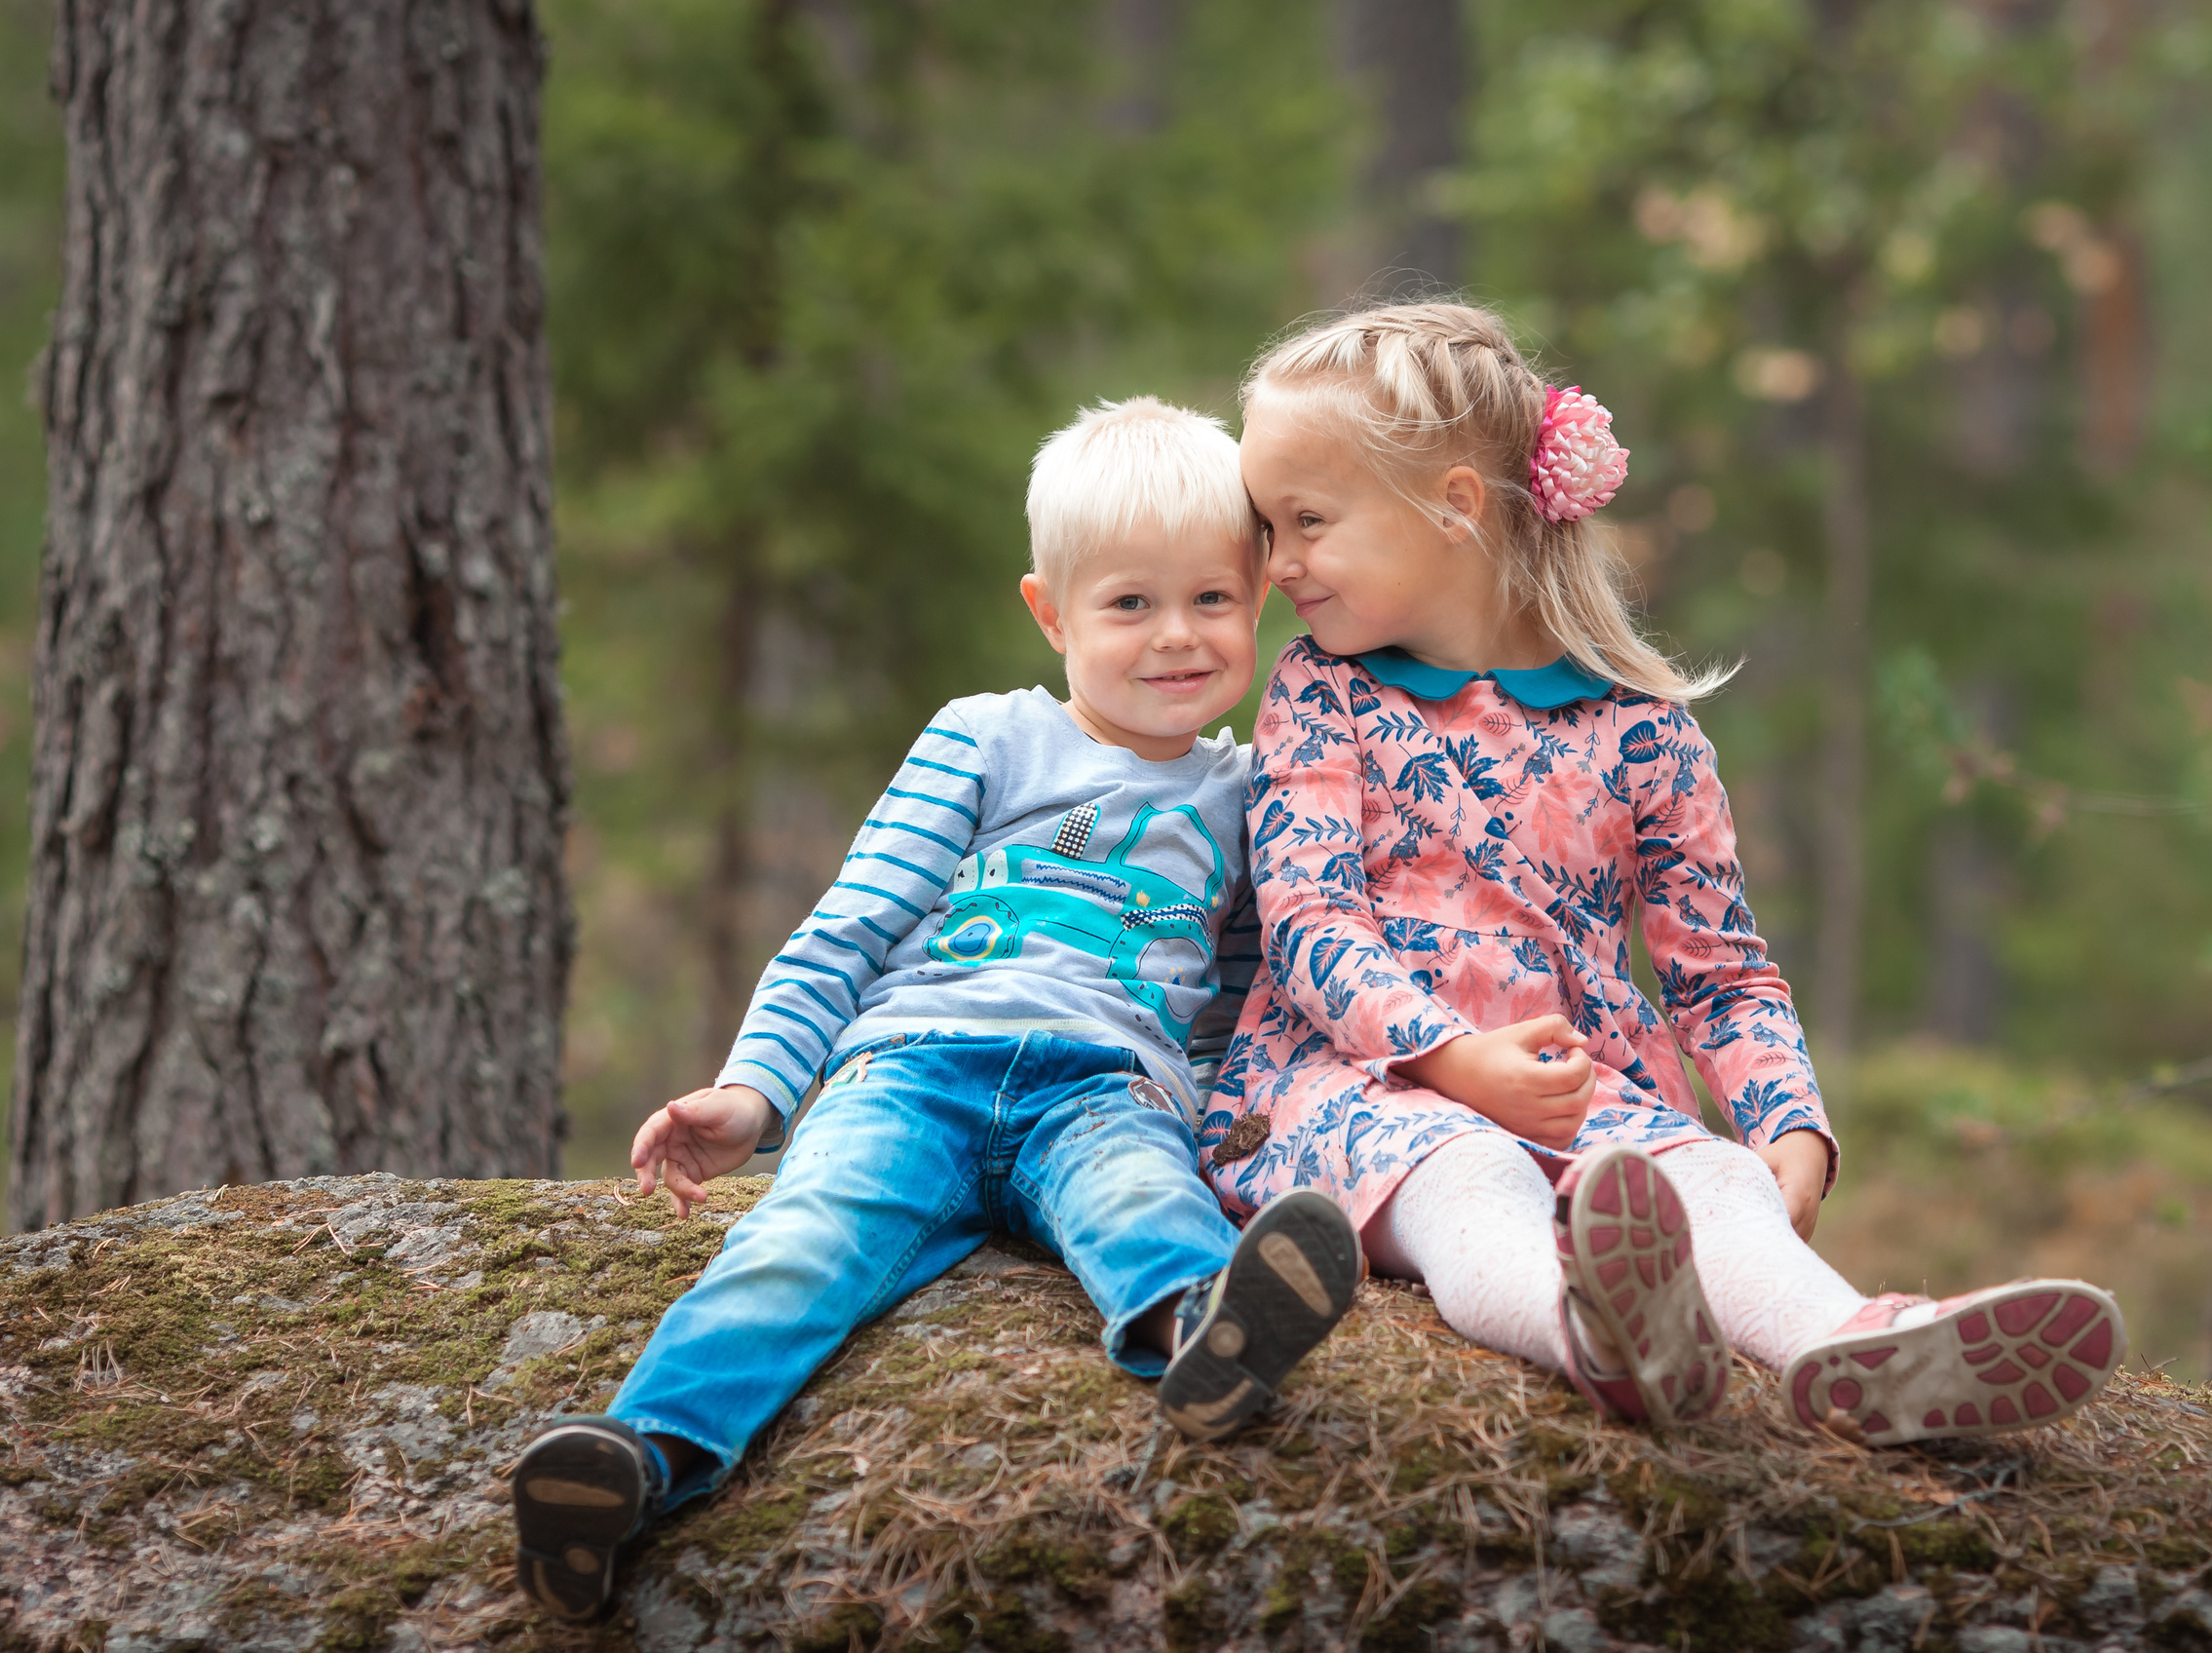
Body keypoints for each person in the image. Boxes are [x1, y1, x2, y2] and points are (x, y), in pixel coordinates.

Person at [1201, 300, 2125, 1442]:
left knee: (1717, 1185)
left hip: (1580, 1095)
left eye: (1305, 521)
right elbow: (1305, 915)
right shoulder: (1321, 691)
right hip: (1361, 1087)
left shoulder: (1643, 731)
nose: (1276, 563)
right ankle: (1597, 1334)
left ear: (1451, 506)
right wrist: (1452, 1056)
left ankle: (1859, 1353)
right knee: (1465, 1173)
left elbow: (1720, 971)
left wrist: (1789, 1126)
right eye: (1267, 526)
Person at [509, 398, 1361, 1620]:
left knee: (1140, 1196)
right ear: (1050, 610)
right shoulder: (988, 739)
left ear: (1257, 601)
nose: (1176, 637)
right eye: (1130, 604)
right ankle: (634, 1458)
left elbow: (1230, 1005)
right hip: (915, 1065)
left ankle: (1204, 1333)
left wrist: (1237, 1124)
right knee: (801, 1242)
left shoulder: (1247, 793)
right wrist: (752, 1093)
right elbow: (849, 924)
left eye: (1211, 601)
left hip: (1105, 1084)